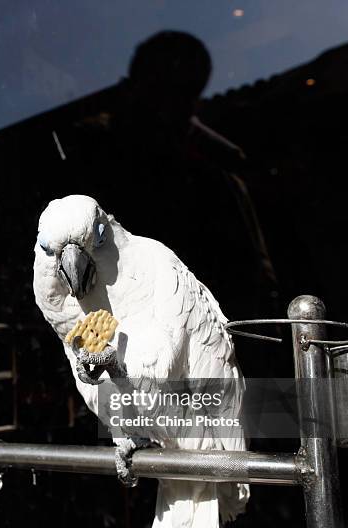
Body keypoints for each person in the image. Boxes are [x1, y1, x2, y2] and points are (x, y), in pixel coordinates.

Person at [49, 30, 279, 374]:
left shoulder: (215, 178)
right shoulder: (95, 166)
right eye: (165, 90)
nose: (174, 108)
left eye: (185, 94)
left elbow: (252, 285)